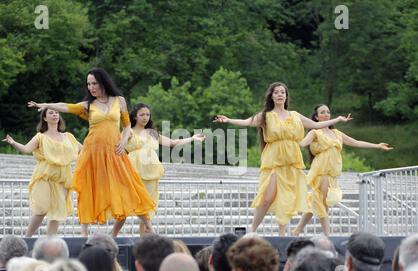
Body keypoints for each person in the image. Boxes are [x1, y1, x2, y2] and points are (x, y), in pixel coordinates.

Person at [27, 68, 156, 237]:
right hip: (92, 151)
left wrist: (123, 141)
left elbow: (126, 126)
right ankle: (84, 231)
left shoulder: (119, 101)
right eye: (88, 84)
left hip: (114, 151)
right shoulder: (88, 105)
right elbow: (66, 107)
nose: (91, 87)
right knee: (88, 188)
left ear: (103, 82)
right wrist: (46, 105)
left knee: (128, 184)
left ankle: (148, 225)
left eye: (94, 83)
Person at [214, 82, 352, 235]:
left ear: (286, 96)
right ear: (271, 96)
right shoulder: (266, 115)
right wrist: (228, 120)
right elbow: (247, 122)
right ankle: (252, 230)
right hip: (274, 161)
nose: (280, 94)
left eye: (282, 92)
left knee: (286, 200)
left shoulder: (295, 115)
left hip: (292, 162)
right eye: (276, 92)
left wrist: (337, 120)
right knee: (267, 198)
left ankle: (283, 235)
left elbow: (315, 124)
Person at [292, 104, 392, 236]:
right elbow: (303, 143)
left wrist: (377, 145)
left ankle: (297, 230)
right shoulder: (314, 132)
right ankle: (327, 236)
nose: (326, 114)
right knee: (323, 202)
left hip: (332, 173)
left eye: (328, 111)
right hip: (321, 171)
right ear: (316, 117)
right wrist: (290, 137)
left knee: (315, 202)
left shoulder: (336, 133)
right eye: (322, 112)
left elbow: (356, 142)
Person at [120, 103, 205, 236]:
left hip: (151, 176)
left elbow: (172, 142)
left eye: (147, 114)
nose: (145, 117)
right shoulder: (129, 131)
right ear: (135, 117)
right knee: (128, 206)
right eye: (142, 114)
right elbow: (119, 149)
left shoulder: (152, 133)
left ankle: (145, 240)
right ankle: (114, 235)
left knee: (147, 209)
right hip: (134, 173)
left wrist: (192, 138)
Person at [2, 108, 82, 236]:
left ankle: (50, 242)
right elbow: (26, 149)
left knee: (57, 212)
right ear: (45, 118)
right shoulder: (41, 137)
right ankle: (27, 238)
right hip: (44, 177)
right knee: (41, 209)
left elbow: (84, 150)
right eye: (51, 113)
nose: (55, 114)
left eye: (56, 112)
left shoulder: (69, 137)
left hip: (63, 179)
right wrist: (13, 142)